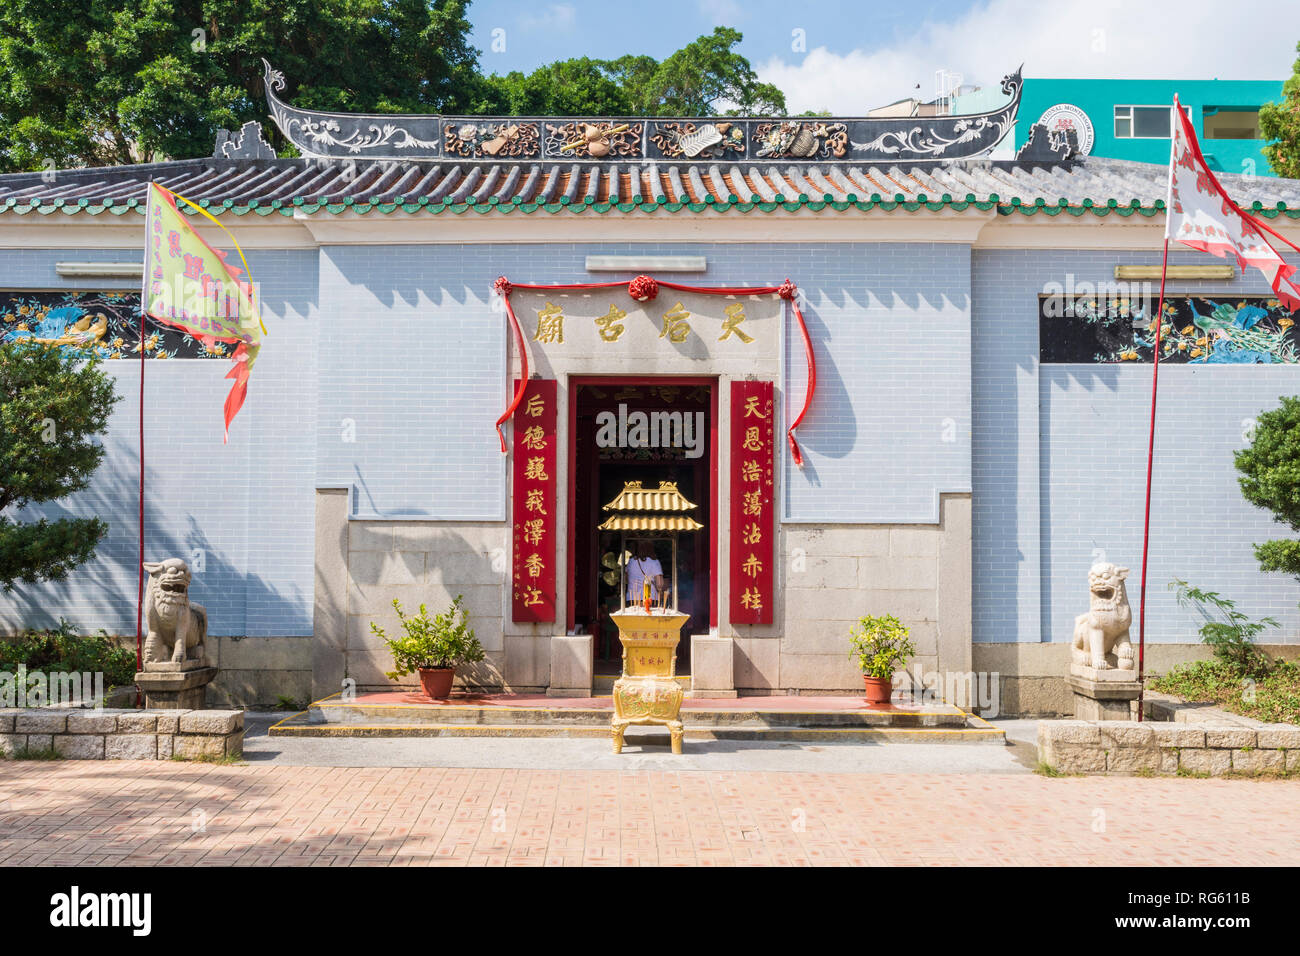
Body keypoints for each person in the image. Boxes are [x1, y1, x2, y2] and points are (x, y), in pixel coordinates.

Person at [625, 540, 666, 605]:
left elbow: (626, 579)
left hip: (631, 598)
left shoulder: (630, 561)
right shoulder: (654, 562)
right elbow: (659, 584)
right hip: (650, 598)